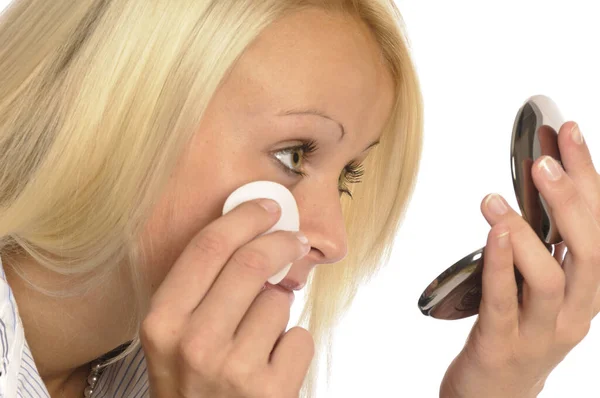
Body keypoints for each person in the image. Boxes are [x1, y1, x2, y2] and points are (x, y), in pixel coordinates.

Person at [0, 0, 597, 397]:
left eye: (347, 177)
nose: (334, 241)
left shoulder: (196, 371)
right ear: (110, 112)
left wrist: (495, 386)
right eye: (294, 155)